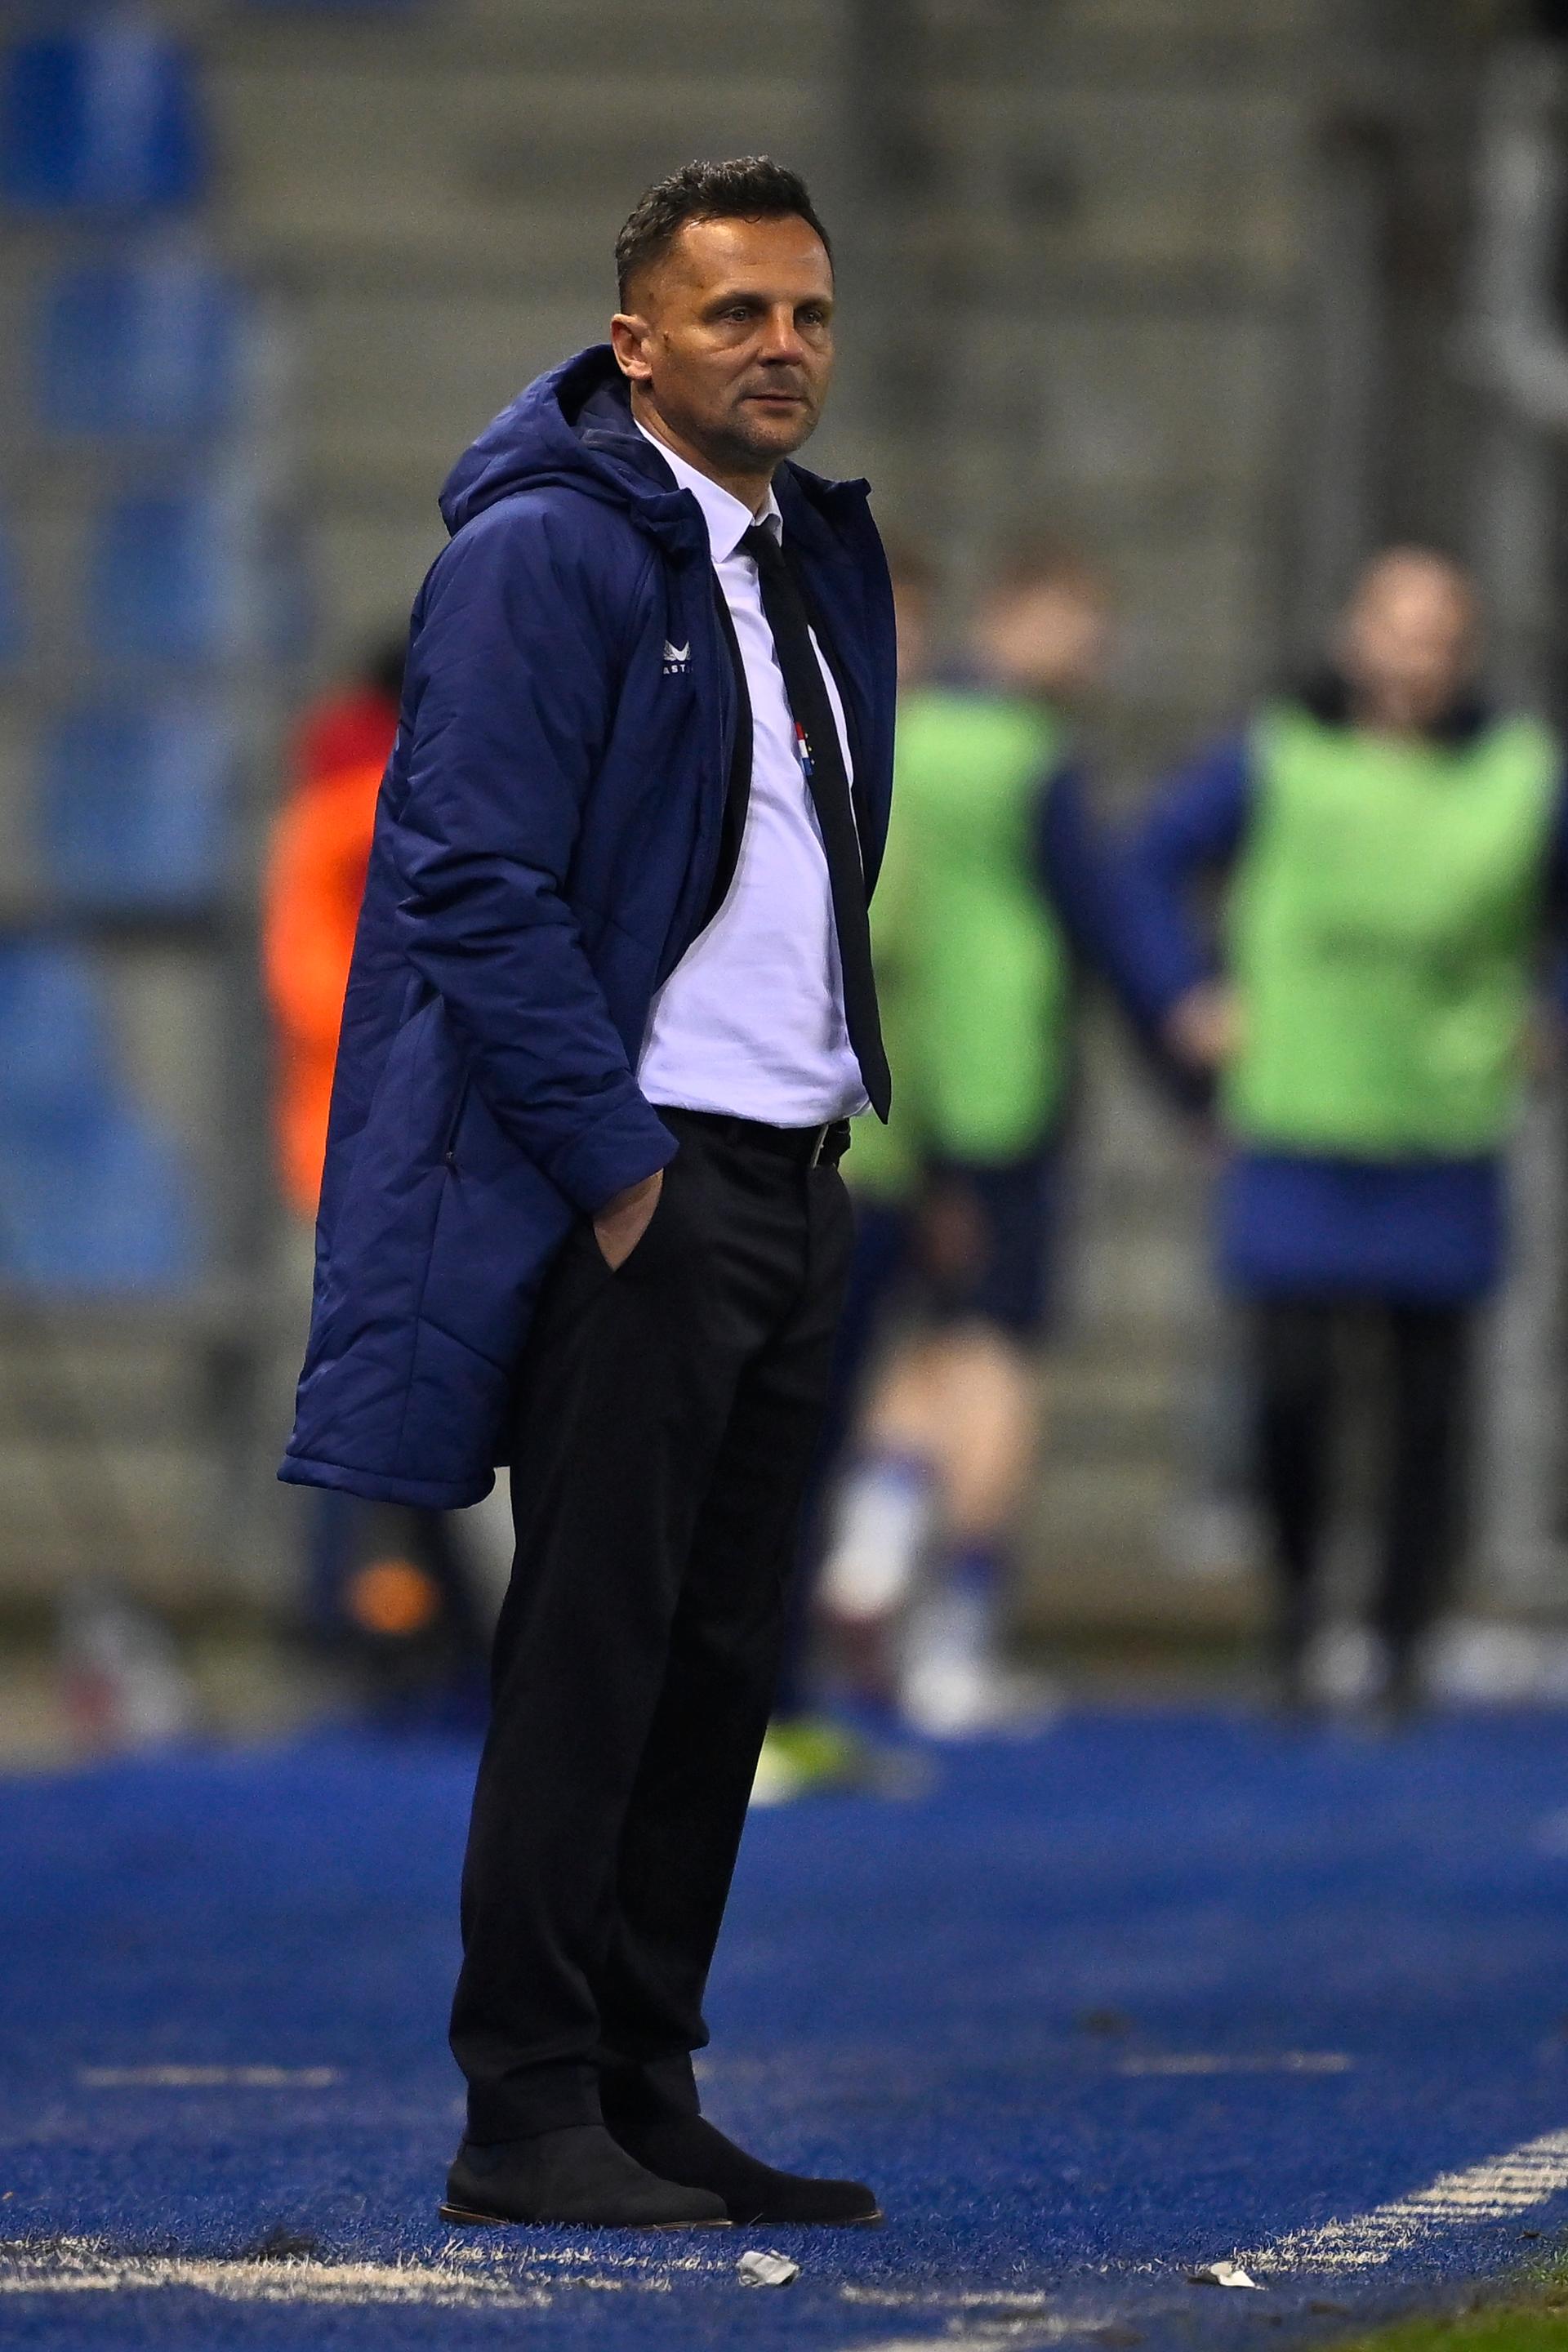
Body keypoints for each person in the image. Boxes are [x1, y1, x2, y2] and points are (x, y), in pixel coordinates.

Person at [281, 158, 894, 2228]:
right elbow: (458, 876)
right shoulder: (544, 555)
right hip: (646, 1189)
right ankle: (522, 2106)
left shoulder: (803, 554)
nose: (782, 348)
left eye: (806, 313)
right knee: (595, 1654)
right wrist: (621, 1174)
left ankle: (644, 2080)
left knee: (724, 1664)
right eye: (736, 316)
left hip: (793, 1176)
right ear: (637, 340)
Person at [1124, 547, 1568, 1713]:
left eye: (1439, 633)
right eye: (1396, 627)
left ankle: (1403, 1635)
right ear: (1354, 636)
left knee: (1431, 1401)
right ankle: (1300, 1610)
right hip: (1301, 1114)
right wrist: (1187, 989)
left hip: (1443, 1121)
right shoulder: (1279, 757)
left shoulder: (1519, 775)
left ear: (1465, 649)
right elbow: (1149, 865)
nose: (1415, 655)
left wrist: (1548, 1014)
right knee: (1293, 1387)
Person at [799, 543, 1169, 1737]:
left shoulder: (869, 745)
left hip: (878, 1102)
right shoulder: (1016, 754)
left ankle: (871, 1540)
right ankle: (957, 1631)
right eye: (1079, 623)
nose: (1094, 655)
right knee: (994, 1353)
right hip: (997, 1092)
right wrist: (1192, 1073)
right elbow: (1111, 926)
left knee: (909, 1349)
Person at [264, 639, 493, 1711]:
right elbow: (326, 990)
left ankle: (401, 1626)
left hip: (349, 1151)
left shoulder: (332, 810)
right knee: (378, 1397)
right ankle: (364, 1625)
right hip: (377, 1155)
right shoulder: (385, 812)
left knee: (388, 1394)